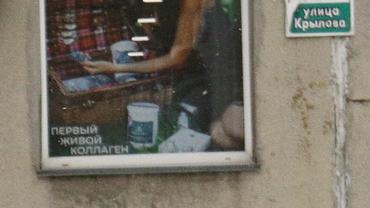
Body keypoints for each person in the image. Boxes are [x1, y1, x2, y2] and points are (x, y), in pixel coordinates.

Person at [80, 0, 246, 151]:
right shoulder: (164, 5)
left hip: (219, 82)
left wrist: (115, 68)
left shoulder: (192, 3)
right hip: (205, 77)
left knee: (220, 132)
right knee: (212, 133)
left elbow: (177, 58)